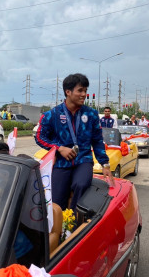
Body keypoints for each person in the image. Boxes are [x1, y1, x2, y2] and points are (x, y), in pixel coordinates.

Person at [35, 73, 114, 212]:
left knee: (81, 184)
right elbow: (40, 137)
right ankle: (59, 226)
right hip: (61, 162)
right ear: (68, 92)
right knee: (57, 199)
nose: (84, 94)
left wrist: (105, 164)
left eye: (85, 91)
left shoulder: (91, 114)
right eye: (80, 90)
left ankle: (74, 221)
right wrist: (59, 148)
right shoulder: (52, 115)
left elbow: (97, 141)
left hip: (83, 159)